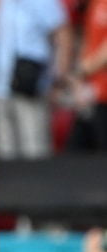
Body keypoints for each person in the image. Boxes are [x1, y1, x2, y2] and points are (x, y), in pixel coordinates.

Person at [0, 0, 72, 160]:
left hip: (31, 85)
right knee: (4, 152)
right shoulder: (4, 3)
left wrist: (59, 77)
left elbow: (63, 35)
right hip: (1, 85)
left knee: (34, 150)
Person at [64, 0, 107, 152]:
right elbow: (88, 43)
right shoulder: (93, 6)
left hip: (103, 95)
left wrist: (83, 70)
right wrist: (78, 82)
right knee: (73, 152)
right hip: (91, 94)